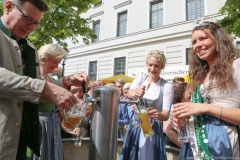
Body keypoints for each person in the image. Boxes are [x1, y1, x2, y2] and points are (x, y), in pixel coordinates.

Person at [0, 1, 89, 159]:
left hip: (18, 141)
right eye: (28, 19)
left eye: (36, 23)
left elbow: (35, 87)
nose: (32, 28)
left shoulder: (30, 48)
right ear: (8, 7)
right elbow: (37, 87)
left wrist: (66, 82)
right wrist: (45, 88)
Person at [173, 21, 240, 159]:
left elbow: (204, 108)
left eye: (203, 38)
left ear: (218, 39)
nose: (198, 45)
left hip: (223, 144)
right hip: (198, 146)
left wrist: (206, 108)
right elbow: (198, 113)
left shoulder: (236, 65)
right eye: (194, 42)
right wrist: (182, 122)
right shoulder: (200, 76)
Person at [120, 50, 174, 160]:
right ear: (146, 64)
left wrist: (157, 114)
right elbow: (130, 94)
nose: (153, 69)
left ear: (162, 67)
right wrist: (135, 93)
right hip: (135, 125)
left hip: (152, 128)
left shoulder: (167, 86)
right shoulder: (139, 80)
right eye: (150, 65)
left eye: (157, 66)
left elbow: (166, 115)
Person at [163, 76, 185, 148]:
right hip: (171, 141)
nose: (181, 89)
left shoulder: (186, 102)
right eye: (179, 87)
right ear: (174, 87)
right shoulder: (169, 101)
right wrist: (184, 147)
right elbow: (166, 129)